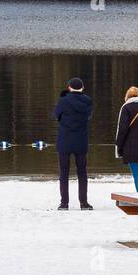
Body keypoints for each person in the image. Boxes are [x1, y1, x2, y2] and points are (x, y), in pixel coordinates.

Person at [53, 77, 93, 210]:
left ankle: (64, 203)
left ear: (69, 87)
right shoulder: (88, 101)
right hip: (81, 140)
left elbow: (56, 116)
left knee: (63, 172)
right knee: (82, 172)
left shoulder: (63, 101)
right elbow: (88, 116)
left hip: (65, 139)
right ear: (83, 88)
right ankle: (84, 202)